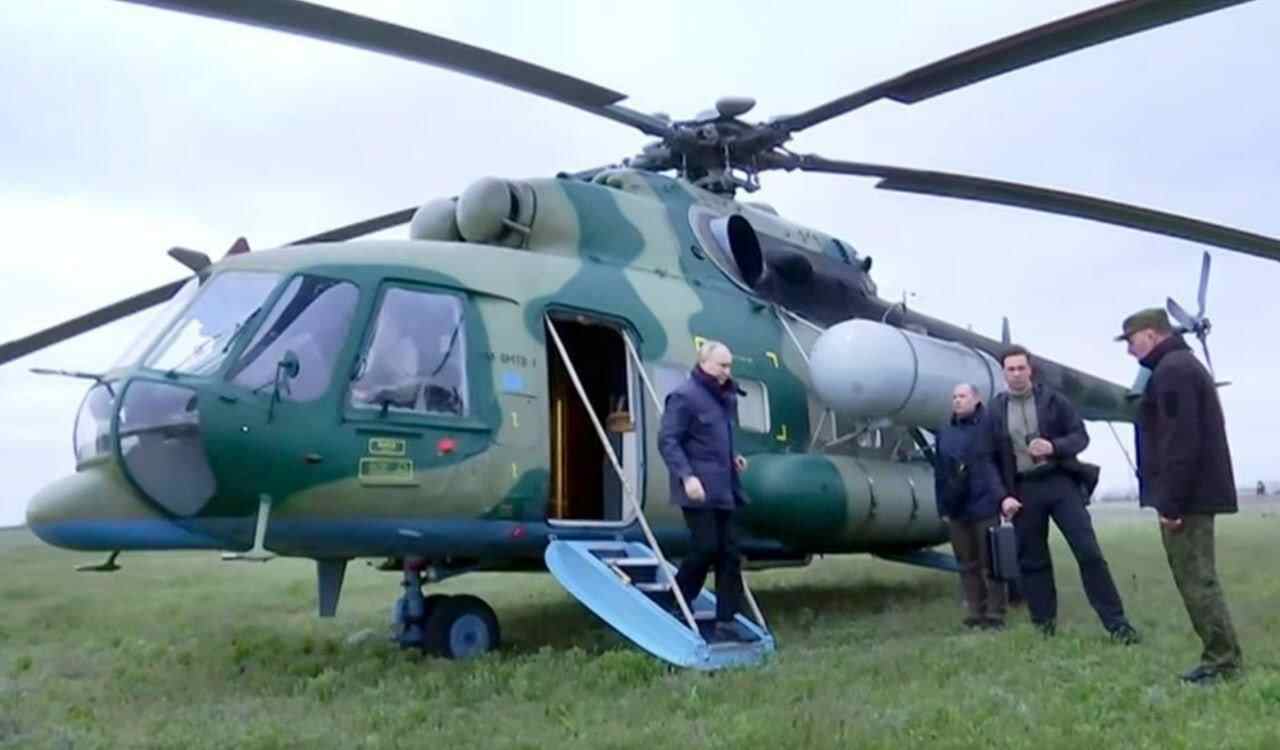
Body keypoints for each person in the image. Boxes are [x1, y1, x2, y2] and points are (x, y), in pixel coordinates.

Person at [980, 345, 1139, 642]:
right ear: (1003, 374)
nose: (1016, 374)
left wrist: (1054, 447)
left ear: (1030, 370)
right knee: (1033, 561)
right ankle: (1044, 628)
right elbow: (986, 459)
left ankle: (1117, 625)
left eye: (1021, 368)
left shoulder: (1054, 400)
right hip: (1023, 490)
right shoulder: (994, 410)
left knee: (1088, 552)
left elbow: (1080, 436)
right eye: (1010, 369)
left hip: (1060, 482)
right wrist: (1003, 497)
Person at [1117, 308, 1243, 683]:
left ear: (1151, 334)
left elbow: (1180, 441)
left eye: (1131, 341)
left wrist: (1171, 503)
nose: (1129, 350)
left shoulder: (1173, 371)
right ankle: (1222, 657)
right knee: (1197, 578)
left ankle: (1222, 663)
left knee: (1197, 580)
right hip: (1192, 494)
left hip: (1188, 499)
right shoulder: (1179, 366)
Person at [658, 340, 755, 643]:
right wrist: (687, 477)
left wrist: (733, 458)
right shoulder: (684, 397)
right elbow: (668, 441)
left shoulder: (725, 397)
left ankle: (726, 621)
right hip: (697, 489)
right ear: (704, 363)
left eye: (729, 366)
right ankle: (677, 599)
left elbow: (715, 438)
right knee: (706, 547)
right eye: (722, 365)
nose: (727, 371)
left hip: (725, 488)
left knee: (730, 554)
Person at [936, 383, 1007, 630]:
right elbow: (940, 472)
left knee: (991, 562)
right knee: (966, 563)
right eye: (954, 397)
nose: (957, 401)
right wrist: (943, 506)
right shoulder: (945, 432)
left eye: (963, 396)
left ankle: (995, 614)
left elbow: (1002, 462)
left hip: (985, 503)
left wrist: (1004, 497)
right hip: (957, 507)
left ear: (976, 399)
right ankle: (975, 612)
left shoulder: (990, 426)